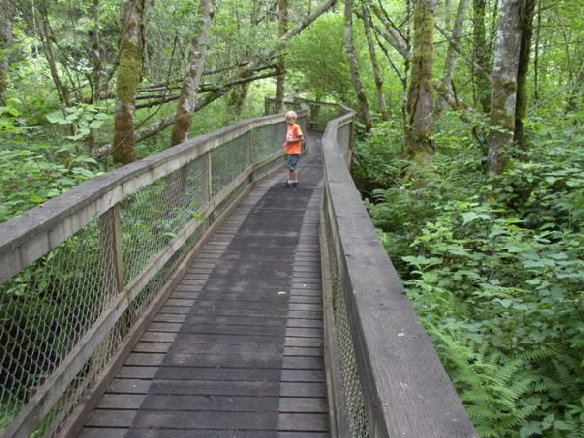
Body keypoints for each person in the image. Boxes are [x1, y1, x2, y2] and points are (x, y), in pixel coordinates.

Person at [282, 110, 303, 187]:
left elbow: (301, 138)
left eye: (290, 120)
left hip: (295, 150)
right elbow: (289, 137)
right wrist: (286, 143)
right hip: (290, 150)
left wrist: (290, 141)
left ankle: (291, 181)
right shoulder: (289, 127)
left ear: (295, 119)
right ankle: (294, 180)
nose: (288, 121)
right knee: (291, 166)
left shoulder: (296, 127)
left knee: (292, 167)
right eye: (287, 120)